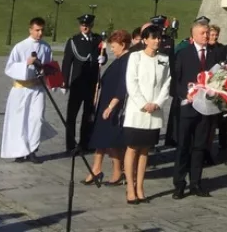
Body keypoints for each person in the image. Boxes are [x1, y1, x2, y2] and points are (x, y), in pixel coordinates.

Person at [170, 19, 223, 198]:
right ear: (193, 35)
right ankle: (179, 184)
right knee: (183, 146)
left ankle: (196, 183)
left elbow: (219, 80)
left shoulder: (215, 55)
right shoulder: (183, 54)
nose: (206, 36)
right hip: (188, 107)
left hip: (206, 108)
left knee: (200, 147)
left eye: (207, 33)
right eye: (203, 33)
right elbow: (176, 80)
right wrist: (184, 95)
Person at [123, 24, 171, 205]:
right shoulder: (135, 57)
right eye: (153, 38)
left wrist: (157, 103)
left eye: (159, 38)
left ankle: (140, 186)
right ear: (144, 40)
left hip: (154, 111)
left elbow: (167, 83)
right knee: (133, 148)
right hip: (137, 110)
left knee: (145, 150)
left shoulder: (164, 59)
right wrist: (143, 103)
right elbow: (131, 82)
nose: (157, 41)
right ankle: (129, 186)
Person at [1, 16, 53, 163]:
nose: (40, 33)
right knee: (20, 121)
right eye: (37, 30)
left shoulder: (46, 47)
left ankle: (32, 150)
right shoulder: (20, 47)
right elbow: (9, 67)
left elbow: (49, 66)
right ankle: (19, 151)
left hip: (37, 88)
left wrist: (50, 77)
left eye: (42, 30)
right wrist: (26, 63)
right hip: (21, 89)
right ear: (30, 30)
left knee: (37, 119)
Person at [84, 29, 130, 186]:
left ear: (123, 45)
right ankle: (96, 168)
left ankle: (118, 172)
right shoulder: (119, 59)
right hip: (105, 102)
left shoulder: (126, 60)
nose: (112, 49)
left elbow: (122, 87)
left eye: (114, 46)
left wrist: (111, 106)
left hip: (113, 104)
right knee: (100, 137)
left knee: (111, 140)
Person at [60, 13, 103, 154]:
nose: (85, 27)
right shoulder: (74, 41)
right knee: (72, 115)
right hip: (77, 83)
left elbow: (101, 55)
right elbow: (67, 63)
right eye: (83, 25)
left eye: (88, 25)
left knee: (88, 114)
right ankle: (70, 144)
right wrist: (64, 82)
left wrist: (104, 58)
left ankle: (85, 143)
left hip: (92, 83)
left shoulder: (97, 40)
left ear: (92, 26)